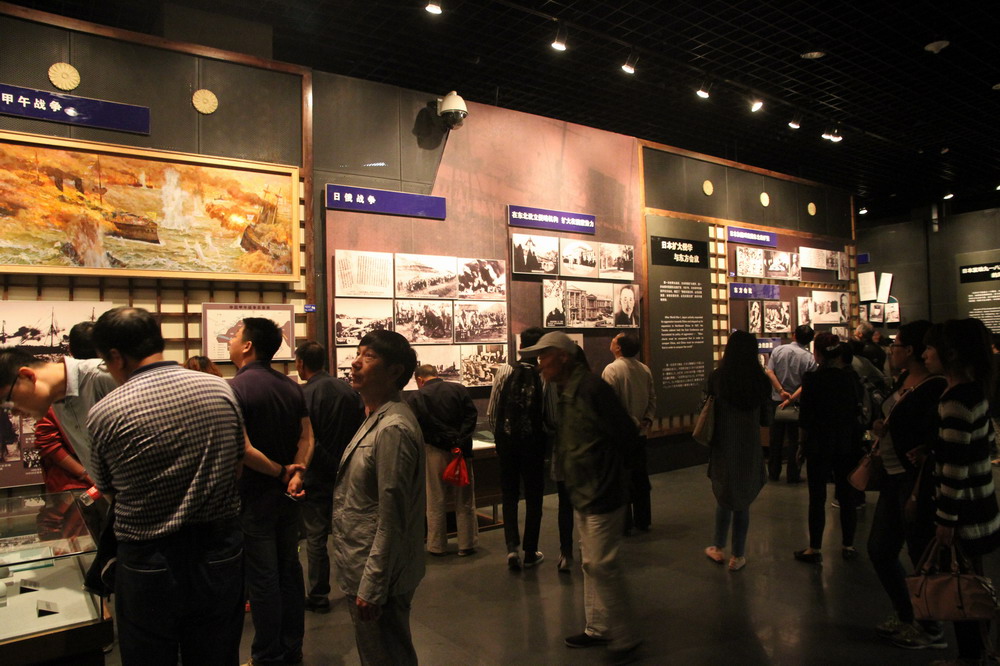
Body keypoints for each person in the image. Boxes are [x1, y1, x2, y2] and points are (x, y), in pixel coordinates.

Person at [85, 307, 245, 664]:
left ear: (116, 356)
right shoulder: (220, 389)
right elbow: (237, 464)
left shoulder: (105, 412)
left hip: (147, 559)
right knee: (217, 654)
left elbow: (108, 489)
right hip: (219, 550)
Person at [520, 331, 641, 659]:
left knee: (603, 565)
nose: (540, 364)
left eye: (544, 356)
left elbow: (626, 436)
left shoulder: (591, 388)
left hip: (602, 492)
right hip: (584, 492)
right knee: (590, 563)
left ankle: (626, 637)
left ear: (563, 357)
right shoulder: (568, 390)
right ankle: (598, 627)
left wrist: (609, 478)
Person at [331, 330, 425, 665]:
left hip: (378, 572)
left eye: (368, 356)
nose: (355, 362)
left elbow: (392, 516)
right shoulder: (376, 416)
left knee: (385, 655)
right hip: (364, 562)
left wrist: (373, 585)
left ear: (394, 371)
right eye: (358, 353)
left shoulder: (392, 429)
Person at [229, 317, 314, 666]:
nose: (231, 340)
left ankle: (266, 655)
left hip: (255, 496)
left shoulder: (236, 388)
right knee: (290, 572)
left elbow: (243, 449)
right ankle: (292, 647)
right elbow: (307, 437)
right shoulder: (291, 385)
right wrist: (297, 473)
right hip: (288, 496)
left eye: (235, 335)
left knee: (263, 579)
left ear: (248, 345)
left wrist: (281, 472)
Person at [921, 318, 1000, 664]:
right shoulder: (974, 391)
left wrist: (946, 519)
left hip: (965, 515)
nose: (925, 354)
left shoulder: (956, 400)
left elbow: (955, 470)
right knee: (972, 584)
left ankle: (973, 657)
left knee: (964, 590)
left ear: (950, 353)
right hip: (981, 508)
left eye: (930, 348)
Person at [865, 320, 947, 649]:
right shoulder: (903, 378)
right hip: (892, 475)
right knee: (880, 548)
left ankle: (930, 626)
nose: (891, 350)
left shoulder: (935, 387)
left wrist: (925, 447)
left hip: (915, 481)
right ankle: (907, 613)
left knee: (919, 551)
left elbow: (939, 432)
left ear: (910, 349)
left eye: (896, 344)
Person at [294, 340, 364, 614]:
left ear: (301, 363)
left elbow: (306, 440)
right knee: (350, 534)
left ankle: (319, 594)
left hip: (316, 475)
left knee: (316, 538)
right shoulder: (347, 390)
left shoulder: (304, 395)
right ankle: (356, 587)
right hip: (347, 472)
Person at [702, 331, 772, 572]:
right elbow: (766, 418)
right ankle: (738, 555)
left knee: (724, 494)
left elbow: (706, 407)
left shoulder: (717, 378)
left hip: (723, 444)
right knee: (743, 499)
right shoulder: (760, 380)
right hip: (749, 445)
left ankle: (718, 546)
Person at [793, 333, 864, 563]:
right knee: (847, 495)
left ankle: (815, 548)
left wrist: (801, 445)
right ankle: (848, 545)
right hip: (846, 442)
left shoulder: (812, 379)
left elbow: (805, 418)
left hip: (818, 443)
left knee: (817, 497)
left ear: (818, 354)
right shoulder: (850, 378)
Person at [486, 326, 547, 569]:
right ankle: (530, 550)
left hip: (508, 444)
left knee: (509, 495)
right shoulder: (544, 375)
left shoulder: (505, 370)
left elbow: (492, 412)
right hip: (533, 445)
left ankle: (512, 548)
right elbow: (546, 414)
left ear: (521, 346)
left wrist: (500, 439)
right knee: (534, 497)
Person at [407, 363, 479, 556]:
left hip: (434, 451)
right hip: (461, 451)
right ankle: (467, 544)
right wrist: (459, 440)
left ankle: (437, 546)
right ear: (436, 374)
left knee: (435, 498)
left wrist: (444, 440)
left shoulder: (417, 397)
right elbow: (471, 416)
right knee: (464, 498)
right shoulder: (459, 389)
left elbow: (419, 426)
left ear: (420, 379)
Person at [601, 332, 656, 533]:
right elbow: (652, 398)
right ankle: (643, 520)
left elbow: (610, 404)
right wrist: (646, 420)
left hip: (620, 436)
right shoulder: (644, 369)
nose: (611, 340)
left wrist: (629, 422)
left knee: (621, 480)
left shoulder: (611, 370)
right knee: (640, 478)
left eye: (614, 339)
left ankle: (624, 524)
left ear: (619, 348)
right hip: (640, 434)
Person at [764, 324, 816, 482]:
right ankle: (793, 474)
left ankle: (773, 472)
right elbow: (807, 383)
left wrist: (781, 391)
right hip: (797, 404)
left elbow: (769, 371)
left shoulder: (778, 350)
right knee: (794, 440)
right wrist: (792, 398)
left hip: (777, 401)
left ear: (794, 335)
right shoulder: (809, 358)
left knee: (775, 439)